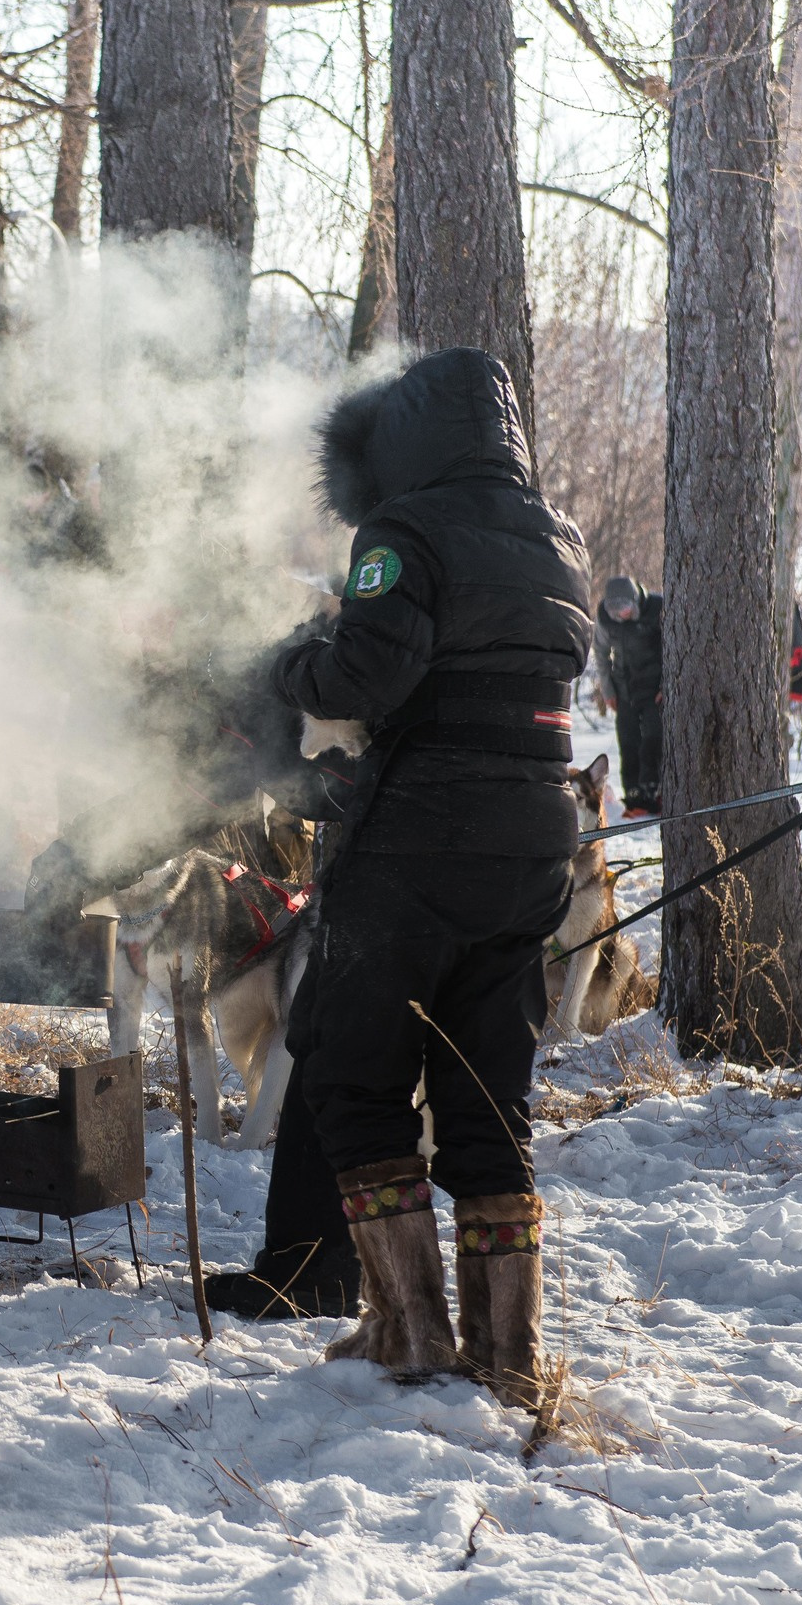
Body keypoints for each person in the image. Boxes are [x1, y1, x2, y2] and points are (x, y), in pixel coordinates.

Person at [212, 348, 591, 1408]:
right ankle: (508, 1353)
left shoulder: (405, 531)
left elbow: (359, 677)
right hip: (533, 842)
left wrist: (291, 659)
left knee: (353, 1071)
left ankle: (410, 1329)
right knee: (486, 1092)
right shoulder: (555, 534)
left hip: (418, 835)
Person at [596, 575, 662, 816]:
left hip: (655, 690)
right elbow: (601, 654)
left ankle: (654, 792)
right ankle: (634, 796)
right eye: (615, 610)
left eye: (624, 609)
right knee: (628, 741)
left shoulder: (657, 608)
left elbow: (674, 648)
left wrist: (667, 685)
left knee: (653, 739)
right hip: (624, 689)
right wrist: (608, 690)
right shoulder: (605, 618)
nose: (620, 615)